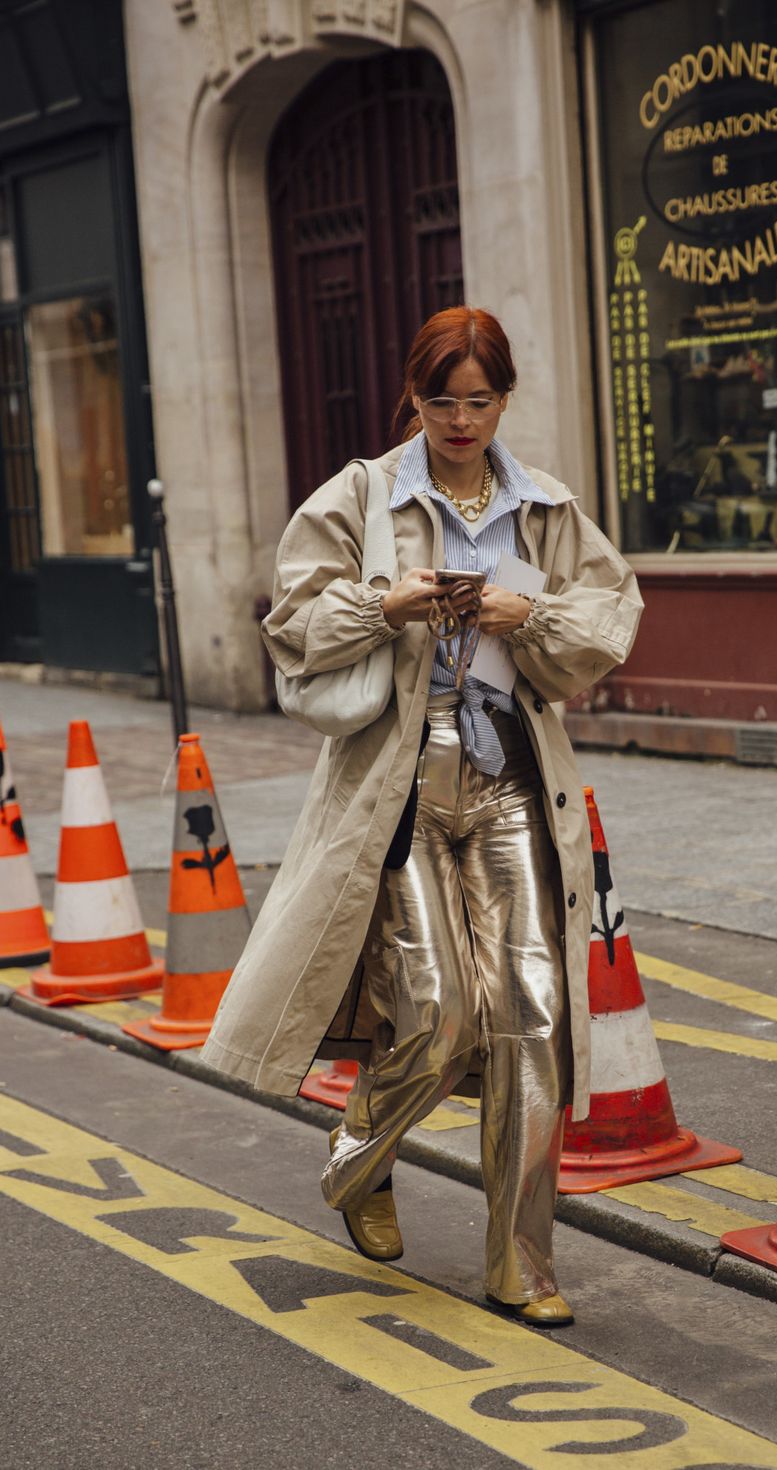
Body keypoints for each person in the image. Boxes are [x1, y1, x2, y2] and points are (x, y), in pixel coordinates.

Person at [201, 306, 642, 1326]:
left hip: (510, 779)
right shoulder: (361, 495)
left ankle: (520, 1261)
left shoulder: (543, 508)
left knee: (536, 1017)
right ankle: (360, 1153)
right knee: (439, 1015)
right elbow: (290, 626)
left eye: (477, 401)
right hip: (397, 783)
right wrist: (386, 604)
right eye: (440, 400)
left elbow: (609, 618)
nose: (458, 420)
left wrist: (523, 614)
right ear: (413, 398)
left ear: (504, 399)